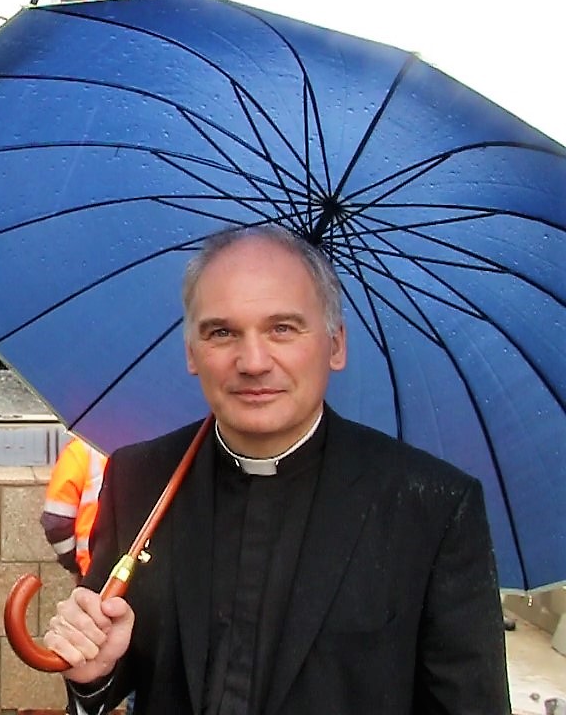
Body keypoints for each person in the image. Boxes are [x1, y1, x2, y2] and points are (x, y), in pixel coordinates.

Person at [45, 225, 509, 715]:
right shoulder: (140, 479)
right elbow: (110, 671)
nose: (252, 362)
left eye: (282, 329)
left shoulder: (431, 507)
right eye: (222, 332)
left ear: (335, 345)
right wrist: (93, 675)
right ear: (192, 354)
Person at [41, 436, 109, 584]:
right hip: (149, 570)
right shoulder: (157, 445)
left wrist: (74, 562)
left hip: (94, 570)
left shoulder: (81, 449)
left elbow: (56, 522)